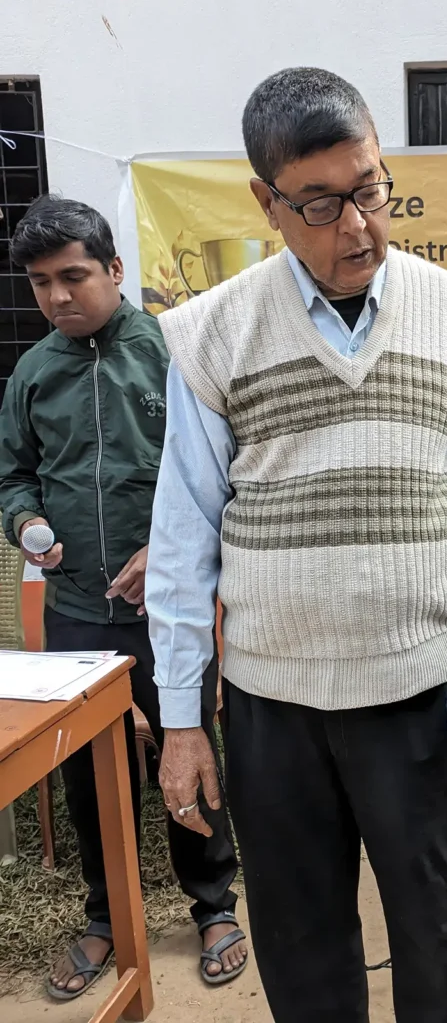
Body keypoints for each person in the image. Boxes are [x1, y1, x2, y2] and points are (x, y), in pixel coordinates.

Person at [144, 67, 447, 1022]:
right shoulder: (211, 334)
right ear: (267, 203)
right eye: (321, 203)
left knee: (439, 933)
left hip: (422, 695)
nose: (359, 226)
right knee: (300, 945)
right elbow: (183, 535)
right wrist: (181, 722)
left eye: (370, 189)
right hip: (271, 705)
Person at [0, 195, 247, 1000]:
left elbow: (223, 475)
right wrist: (26, 523)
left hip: (168, 610)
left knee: (188, 748)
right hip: (76, 610)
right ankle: (107, 914)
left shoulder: (173, 355)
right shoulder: (33, 375)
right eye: (41, 283)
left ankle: (212, 903)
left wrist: (165, 552)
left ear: (113, 268)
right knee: (86, 772)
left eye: (73, 276)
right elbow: (13, 478)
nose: (58, 296)